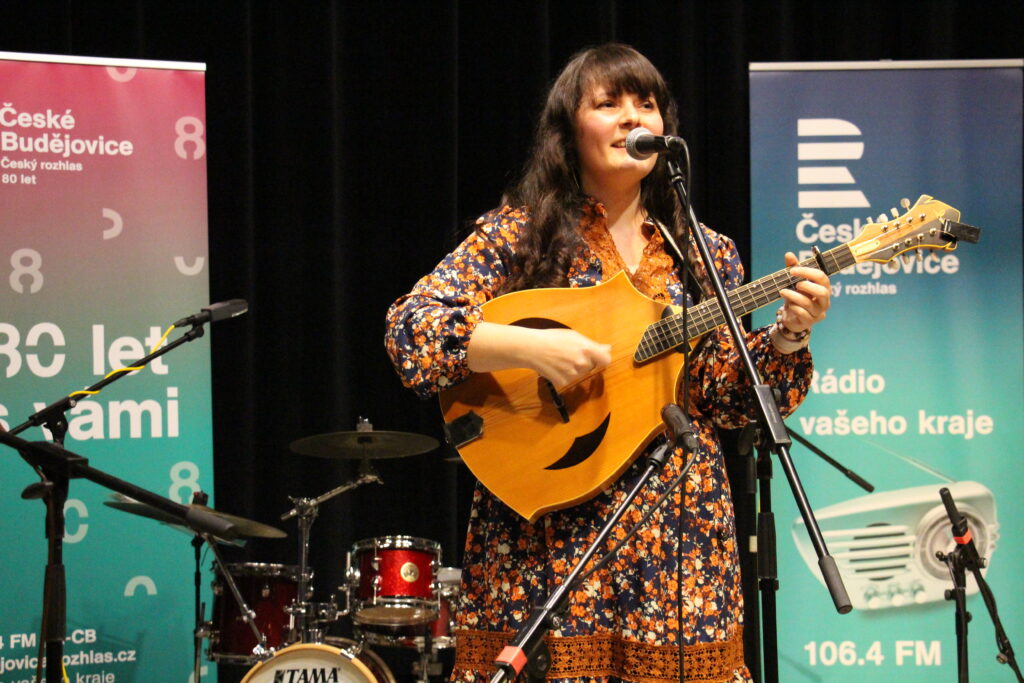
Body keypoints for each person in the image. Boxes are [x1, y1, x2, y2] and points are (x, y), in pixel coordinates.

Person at [385, 43, 829, 683]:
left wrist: (789, 334)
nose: (631, 118)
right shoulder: (521, 234)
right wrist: (530, 348)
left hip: (677, 530)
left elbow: (725, 396)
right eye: (608, 103)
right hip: (551, 524)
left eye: (646, 104)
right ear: (569, 130)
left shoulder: (705, 252)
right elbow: (411, 330)